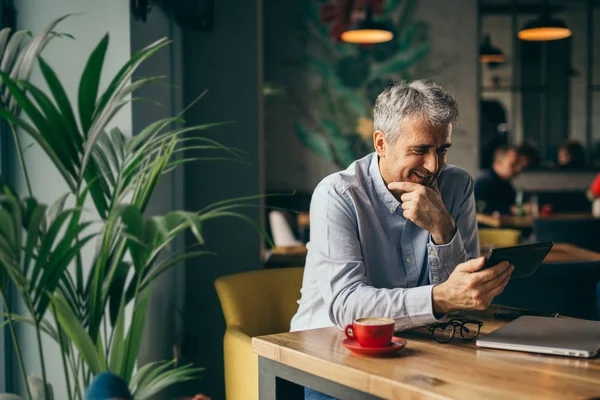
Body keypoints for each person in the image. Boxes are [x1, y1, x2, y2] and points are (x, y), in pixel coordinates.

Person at [291, 80, 514, 400]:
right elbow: (347, 307)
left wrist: (443, 229)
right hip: (331, 354)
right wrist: (440, 299)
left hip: (420, 347)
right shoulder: (337, 194)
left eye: (442, 150)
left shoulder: (457, 186)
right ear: (381, 143)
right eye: (420, 150)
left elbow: (462, 299)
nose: (433, 166)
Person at [474, 145, 525, 214]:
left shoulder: (506, 183)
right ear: (498, 163)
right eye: (513, 164)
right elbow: (480, 208)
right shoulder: (483, 183)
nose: (519, 169)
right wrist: (511, 209)